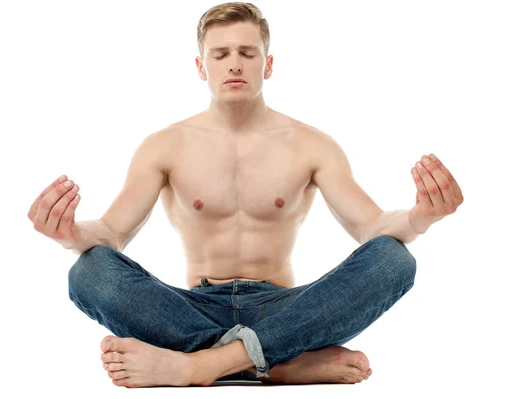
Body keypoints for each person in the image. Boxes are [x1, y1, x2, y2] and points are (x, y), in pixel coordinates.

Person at [28, 1, 463, 388]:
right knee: (88, 272)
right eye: (220, 54)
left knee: (395, 259)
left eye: (246, 53)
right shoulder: (164, 145)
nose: (233, 64)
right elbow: (110, 233)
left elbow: (370, 228)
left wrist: (419, 218)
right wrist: (70, 234)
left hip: (288, 309)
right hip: (192, 308)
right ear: (201, 67)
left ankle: (200, 366)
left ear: (267, 64)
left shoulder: (312, 144)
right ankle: (276, 365)